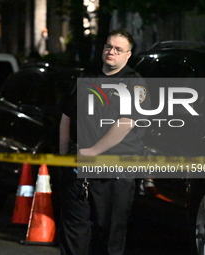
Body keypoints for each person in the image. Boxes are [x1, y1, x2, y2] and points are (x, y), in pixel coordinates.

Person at [59, 28, 151, 255]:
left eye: (118, 49)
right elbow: (67, 117)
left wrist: (94, 151)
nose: (111, 52)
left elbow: (126, 122)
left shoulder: (135, 84)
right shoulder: (85, 77)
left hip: (115, 172)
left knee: (110, 236)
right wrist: (63, 157)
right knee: (73, 233)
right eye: (108, 46)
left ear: (128, 55)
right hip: (79, 169)